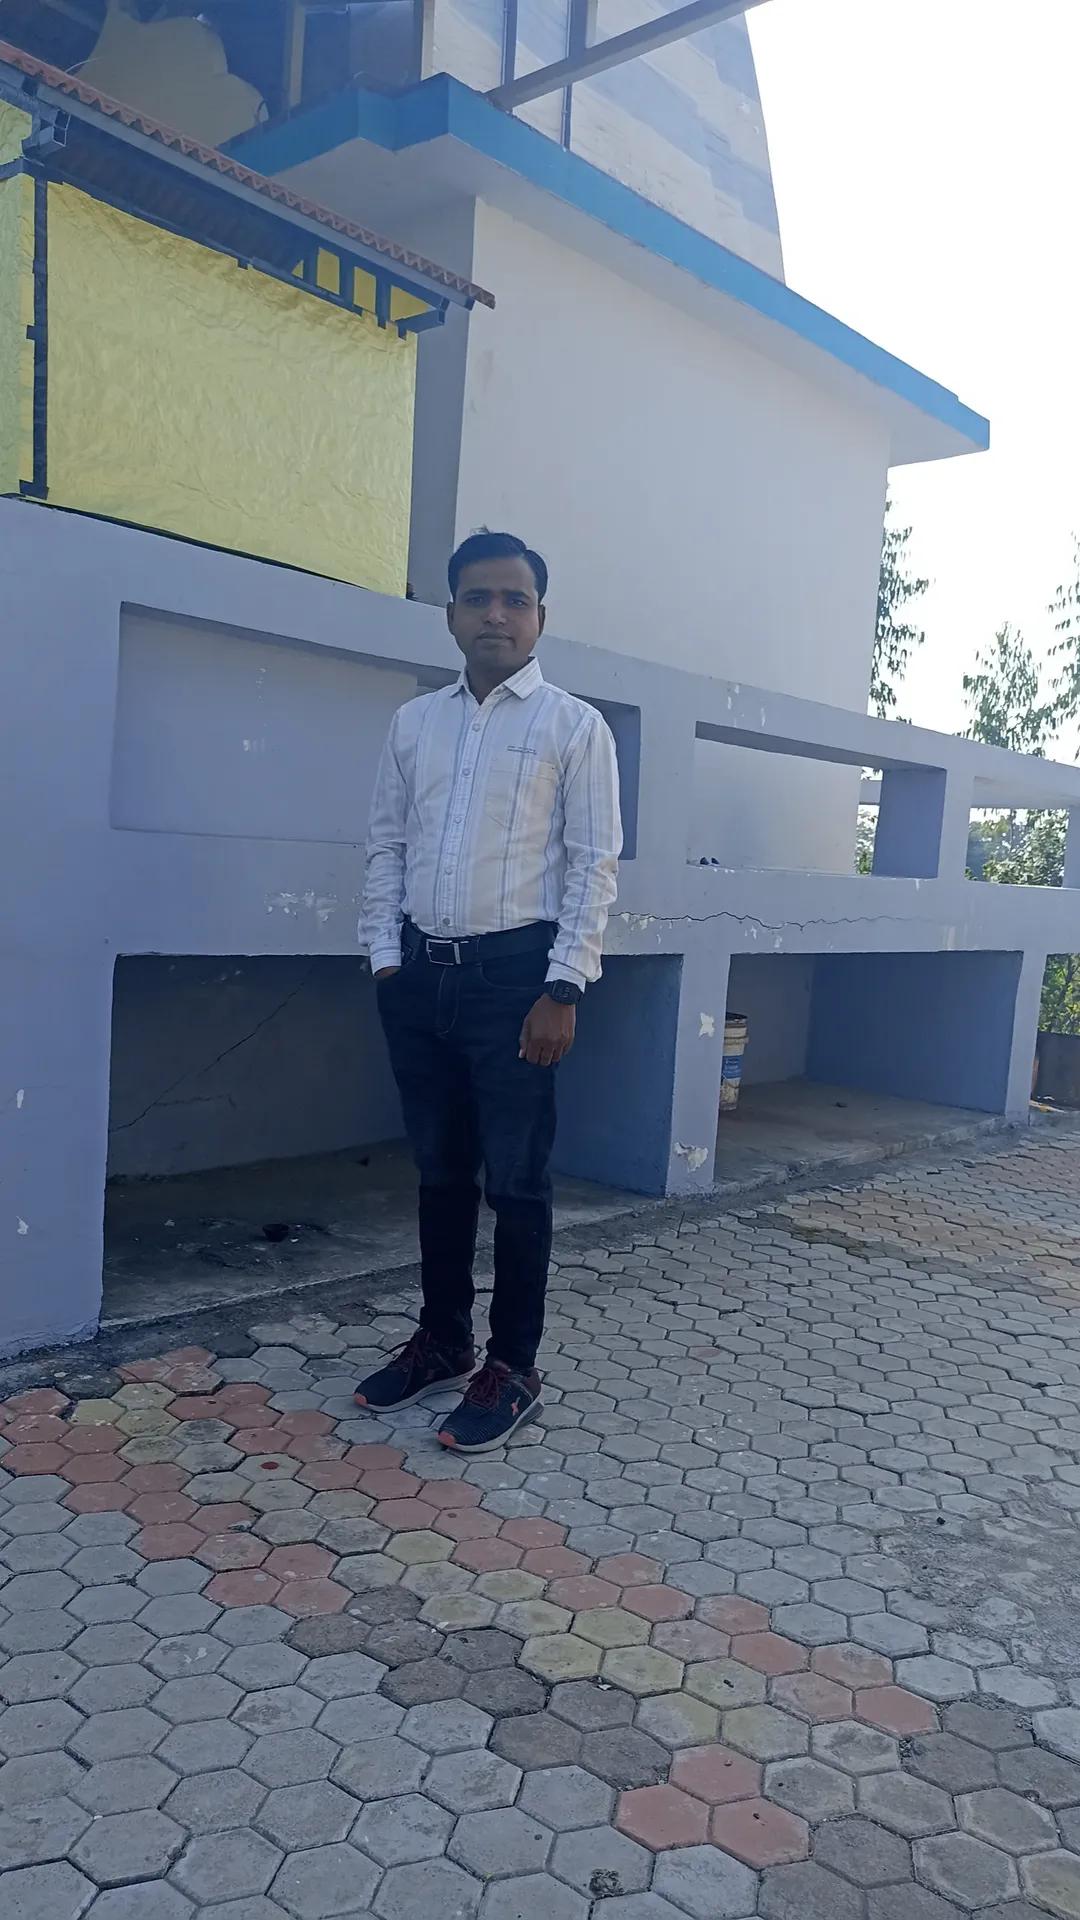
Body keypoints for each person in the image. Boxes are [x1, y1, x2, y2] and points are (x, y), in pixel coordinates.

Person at [355, 530, 622, 1452]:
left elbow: (593, 865)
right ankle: (443, 1340)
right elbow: (386, 846)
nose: (496, 615)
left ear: (541, 616)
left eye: (515, 600)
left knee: (516, 1182)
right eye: (479, 598)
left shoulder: (573, 728)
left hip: (518, 982)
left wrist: (564, 986)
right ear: (451, 615)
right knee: (440, 1173)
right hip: (418, 976)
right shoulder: (413, 725)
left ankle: (513, 1365)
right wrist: (384, 958)